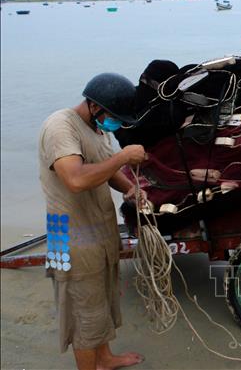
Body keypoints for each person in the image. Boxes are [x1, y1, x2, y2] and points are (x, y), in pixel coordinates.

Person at [38, 73, 146, 370]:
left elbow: (104, 168)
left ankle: (105, 358)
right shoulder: (60, 128)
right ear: (96, 106)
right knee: (83, 311)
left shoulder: (96, 129)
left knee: (99, 300)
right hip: (69, 235)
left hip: (96, 229)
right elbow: (75, 179)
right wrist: (124, 156)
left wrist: (130, 189)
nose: (117, 125)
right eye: (115, 117)